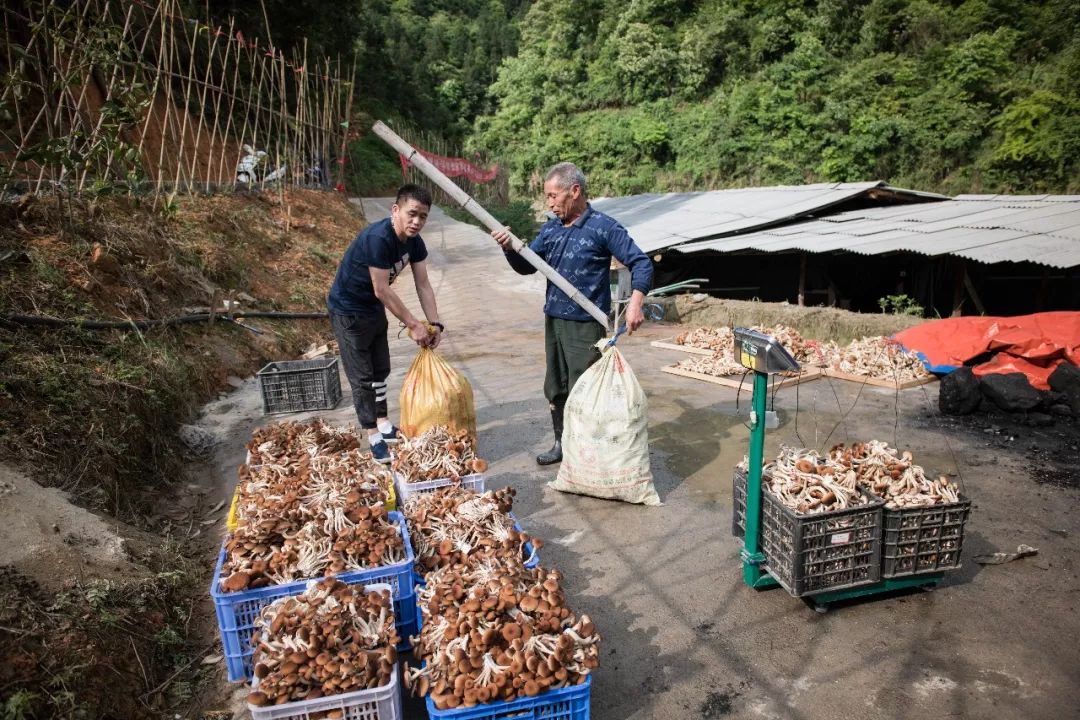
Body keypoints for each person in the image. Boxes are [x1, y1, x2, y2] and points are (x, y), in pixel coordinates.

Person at [491, 162, 653, 465]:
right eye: (547, 197)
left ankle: (588, 453)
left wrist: (635, 303)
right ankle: (561, 444)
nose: (549, 203)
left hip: (585, 325)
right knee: (556, 386)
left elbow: (641, 262)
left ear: (574, 191)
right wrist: (510, 249)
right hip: (553, 319)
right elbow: (529, 266)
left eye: (553, 196)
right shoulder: (551, 227)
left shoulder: (603, 227)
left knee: (585, 390)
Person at [328, 184, 444, 463]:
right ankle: (373, 436)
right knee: (362, 377)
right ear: (396, 210)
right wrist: (413, 324)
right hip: (348, 310)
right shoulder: (379, 238)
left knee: (381, 368)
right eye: (412, 213)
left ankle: (383, 423)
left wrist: (435, 323)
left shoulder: (415, 242)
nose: (417, 222)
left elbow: (424, 284)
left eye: (423, 216)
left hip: (372, 308)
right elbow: (381, 288)